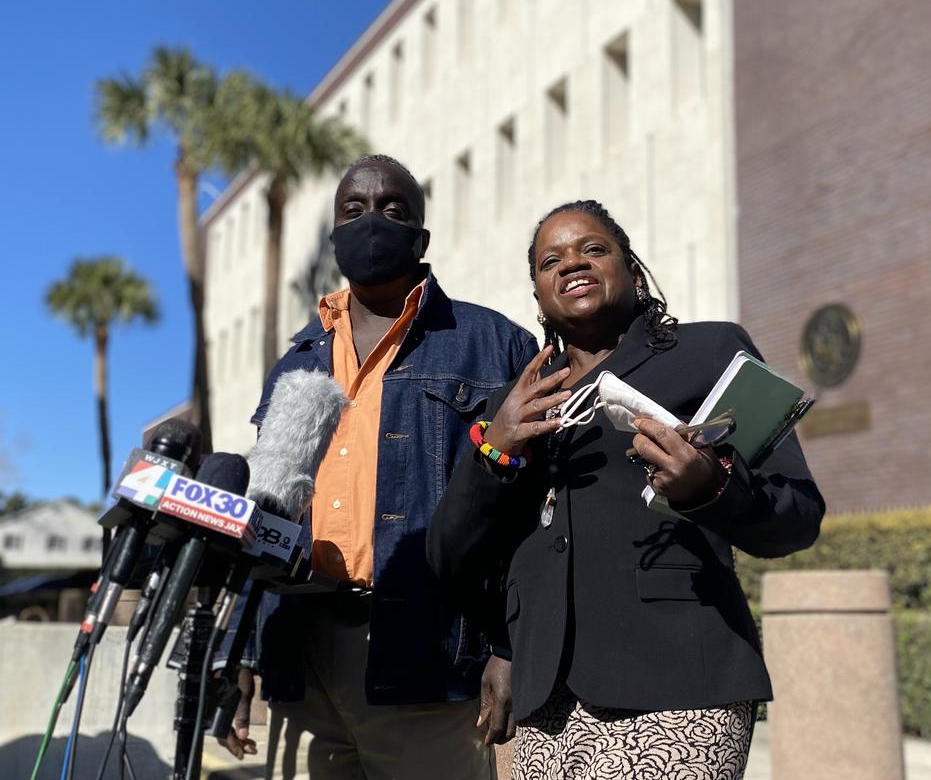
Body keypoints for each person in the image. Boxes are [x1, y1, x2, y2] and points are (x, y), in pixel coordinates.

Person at [427, 200, 825, 779]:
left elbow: (798, 515)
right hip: (548, 703)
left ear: (633, 273)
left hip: (680, 681)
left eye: (593, 249)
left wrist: (710, 487)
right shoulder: (511, 408)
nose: (571, 265)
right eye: (550, 261)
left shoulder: (708, 353)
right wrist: (497, 448)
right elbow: (450, 553)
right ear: (538, 297)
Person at [221, 155, 537, 779]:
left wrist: (507, 647)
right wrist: (243, 652)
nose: (372, 222)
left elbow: (525, 513)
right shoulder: (297, 363)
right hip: (305, 654)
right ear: (336, 235)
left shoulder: (493, 343)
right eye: (353, 210)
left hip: (430, 650)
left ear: (421, 238)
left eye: (393, 209)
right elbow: (265, 517)